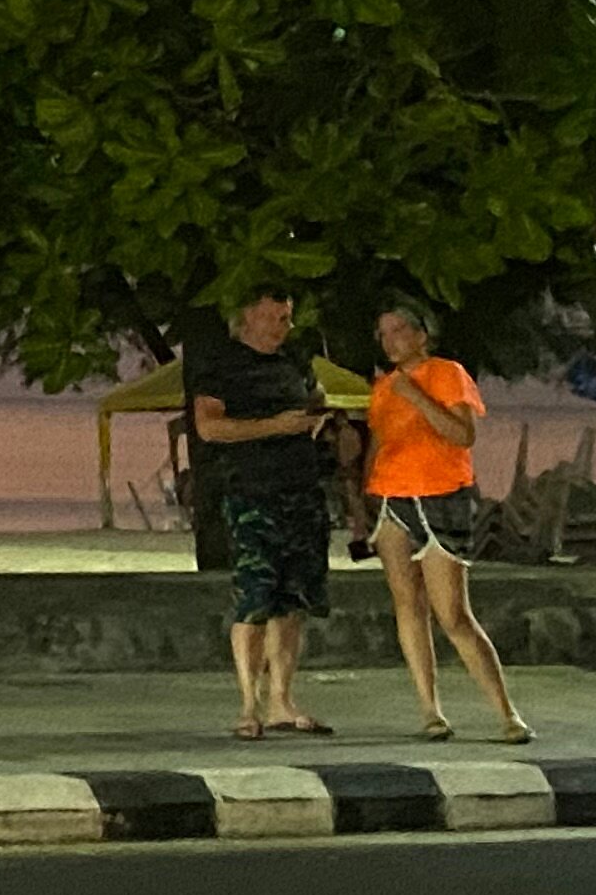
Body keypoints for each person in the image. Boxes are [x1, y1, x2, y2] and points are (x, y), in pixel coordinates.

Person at [366, 300, 533, 745]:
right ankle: (429, 710)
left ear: (422, 334)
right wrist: (364, 495)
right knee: (407, 605)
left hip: (442, 495)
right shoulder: (383, 388)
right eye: (384, 333)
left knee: (453, 613)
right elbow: (378, 443)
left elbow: (462, 435)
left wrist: (417, 397)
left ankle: (505, 712)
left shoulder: (447, 373)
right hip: (392, 495)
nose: (391, 339)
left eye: (399, 329)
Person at [188, 284, 334, 740]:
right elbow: (209, 427)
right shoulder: (221, 364)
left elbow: (317, 400)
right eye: (276, 318)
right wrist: (274, 426)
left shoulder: (295, 361)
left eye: (288, 318)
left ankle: (281, 701)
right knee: (254, 595)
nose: (284, 327)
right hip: (252, 492)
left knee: (293, 600)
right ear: (249, 317)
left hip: (301, 490)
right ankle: (248, 704)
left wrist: (318, 421)